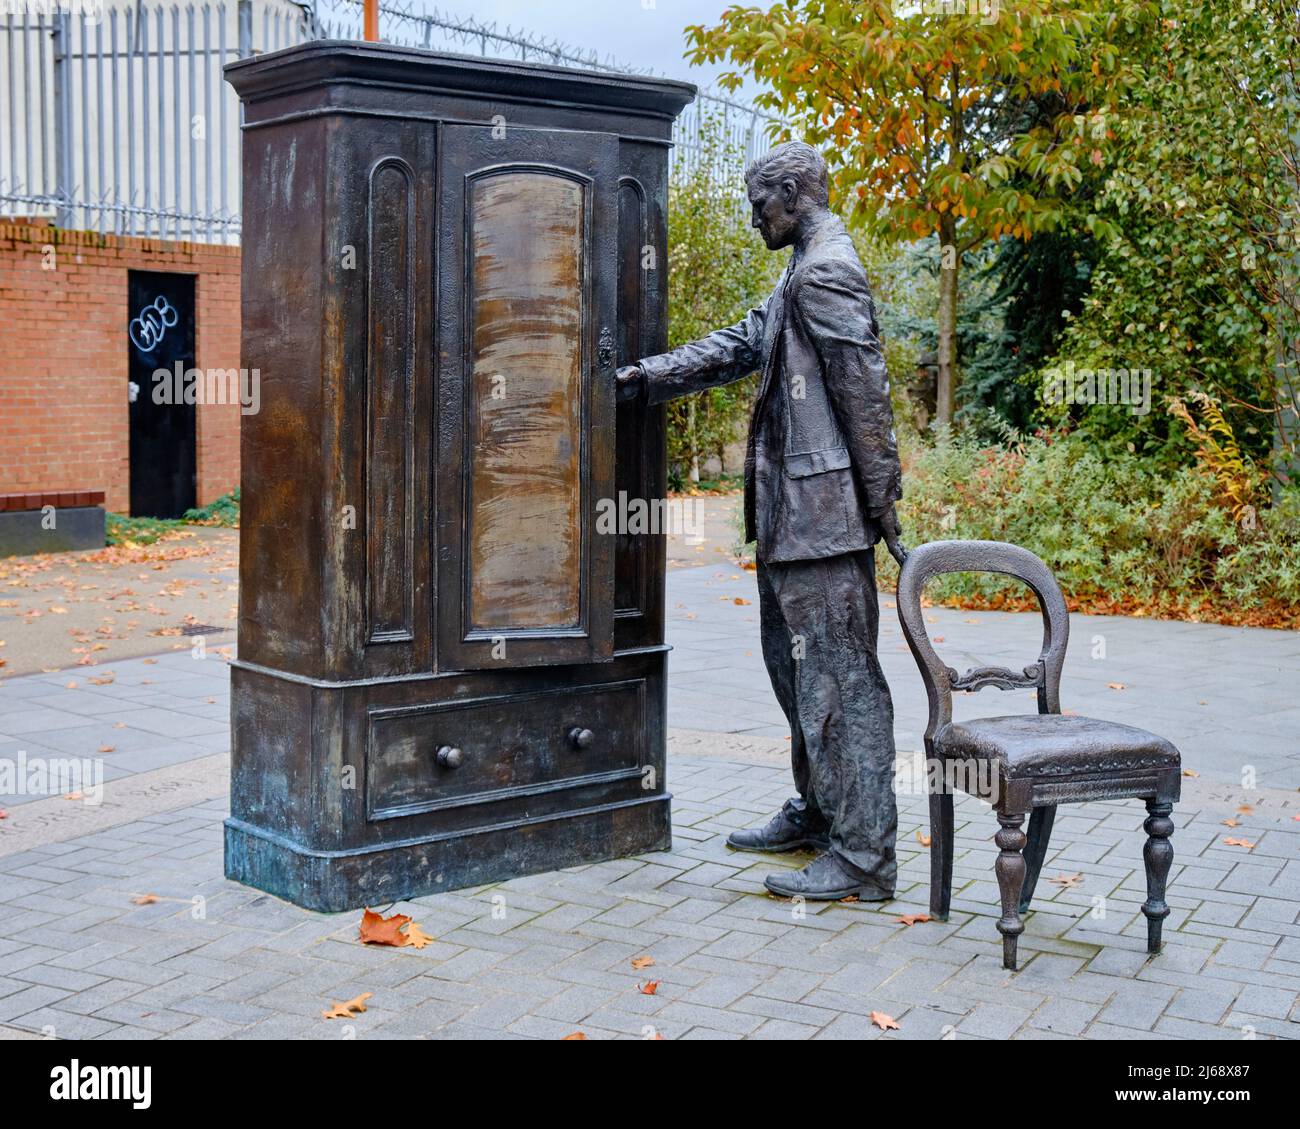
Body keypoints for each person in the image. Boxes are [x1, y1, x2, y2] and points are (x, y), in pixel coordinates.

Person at [617, 140, 908, 901]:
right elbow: (745, 343)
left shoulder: (828, 271)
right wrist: (647, 378)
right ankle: (820, 811)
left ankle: (867, 856)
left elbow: (866, 395)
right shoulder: (800, 272)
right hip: (794, 521)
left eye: (758, 205)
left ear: (792, 195)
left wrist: (883, 503)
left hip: (826, 522)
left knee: (841, 686)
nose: (753, 219)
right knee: (798, 679)